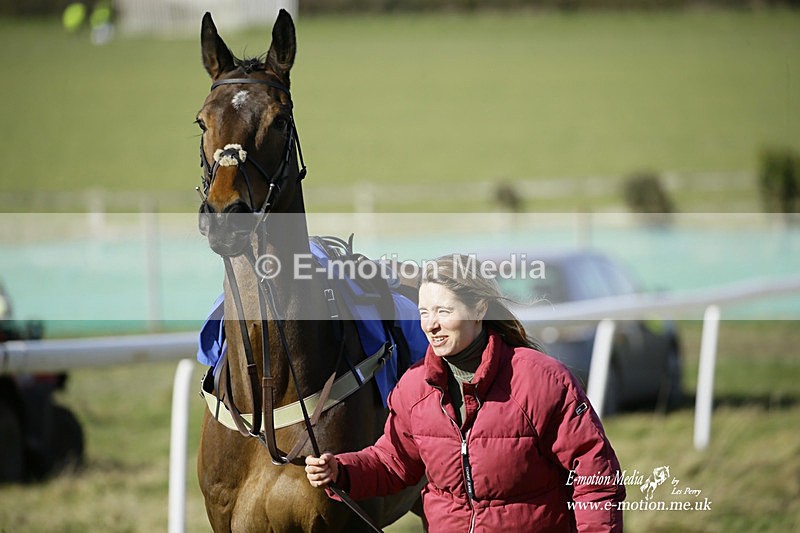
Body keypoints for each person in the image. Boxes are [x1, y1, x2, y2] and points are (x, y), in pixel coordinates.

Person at [305, 254, 625, 531]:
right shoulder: (413, 388)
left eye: (443, 311)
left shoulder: (543, 380)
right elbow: (394, 462)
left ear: (479, 310)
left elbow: (596, 478)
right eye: (424, 312)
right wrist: (342, 470)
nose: (430, 325)